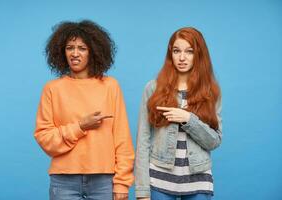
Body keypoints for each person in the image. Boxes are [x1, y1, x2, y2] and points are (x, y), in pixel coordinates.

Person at [34, 20, 134, 200]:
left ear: (93, 52)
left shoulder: (110, 86)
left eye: (82, 48)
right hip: (63, 181)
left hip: (104, 181)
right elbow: (45, 138)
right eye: (69, 47)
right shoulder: (52, 89)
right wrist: (80, 126)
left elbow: (122, 139)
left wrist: (122, 183)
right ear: (61, 52)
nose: (74, 53)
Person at [134, 27, 222, 200]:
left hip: (198, 178)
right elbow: (142, 141)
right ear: (170, 54)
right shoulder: (153, 88)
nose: (182, 58)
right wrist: (142, 190)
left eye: (189, 52)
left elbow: (214, 141)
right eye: (176, 51)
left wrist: (188, 119)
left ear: (199, 55)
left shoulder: (210, 91)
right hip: (159, 178)